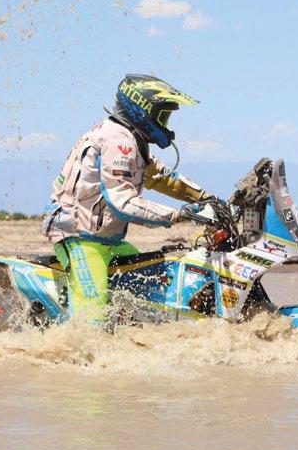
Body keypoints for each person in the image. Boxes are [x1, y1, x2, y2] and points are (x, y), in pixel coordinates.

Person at [42, 74, 211, 324]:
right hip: (79, 236)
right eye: (162, 115)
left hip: (107, 240)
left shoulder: (130, 139)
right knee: (92, 318)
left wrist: (206, 197)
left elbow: (161, 177)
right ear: (142, 109)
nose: (165, 123)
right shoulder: (118, 141)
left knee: (152, 288)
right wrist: (178, 215)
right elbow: (122, 202)